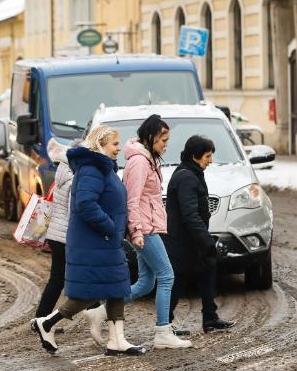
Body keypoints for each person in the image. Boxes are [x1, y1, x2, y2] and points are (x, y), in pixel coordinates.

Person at [31, 125, 144, 356]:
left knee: (115, 287)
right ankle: (47, 323)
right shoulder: (93, 168)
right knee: (91, 292)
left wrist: (120, 229)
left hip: (105, 240)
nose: (118, 148)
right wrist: (110, 227)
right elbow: (85, 204)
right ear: (100, 145)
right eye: (114, 143)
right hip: (95, 241)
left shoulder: (104, 167)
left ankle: (117, 340)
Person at [122, 115, 192, 349]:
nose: (166, 145)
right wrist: (136, 231)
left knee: (145, 283)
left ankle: (103, 311)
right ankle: (163, 332)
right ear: (151, 136)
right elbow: (132, 200)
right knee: (167, 276)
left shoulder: (148, 159)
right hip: (144, 229)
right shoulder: (140, 162)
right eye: (163, 140)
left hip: (148, 226)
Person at [32, 139, 107, 346]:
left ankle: (40, 318)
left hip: (56, 234)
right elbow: (75, 211)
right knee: (84, 277)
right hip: (67, 236)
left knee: (58, 279)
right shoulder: (76, 177)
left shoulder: (63, 171)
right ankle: (92, 313)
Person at [165, 135, 235, 333]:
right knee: (177, 281)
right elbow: (190, 214)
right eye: (207, 156)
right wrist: (207, 241)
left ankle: (210, 318)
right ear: (194, 156)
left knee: (207, 270)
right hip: (183, 241)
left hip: (191, 239)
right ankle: (165, 325)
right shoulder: (187, 177)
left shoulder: (191, 172)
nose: (210, 160)